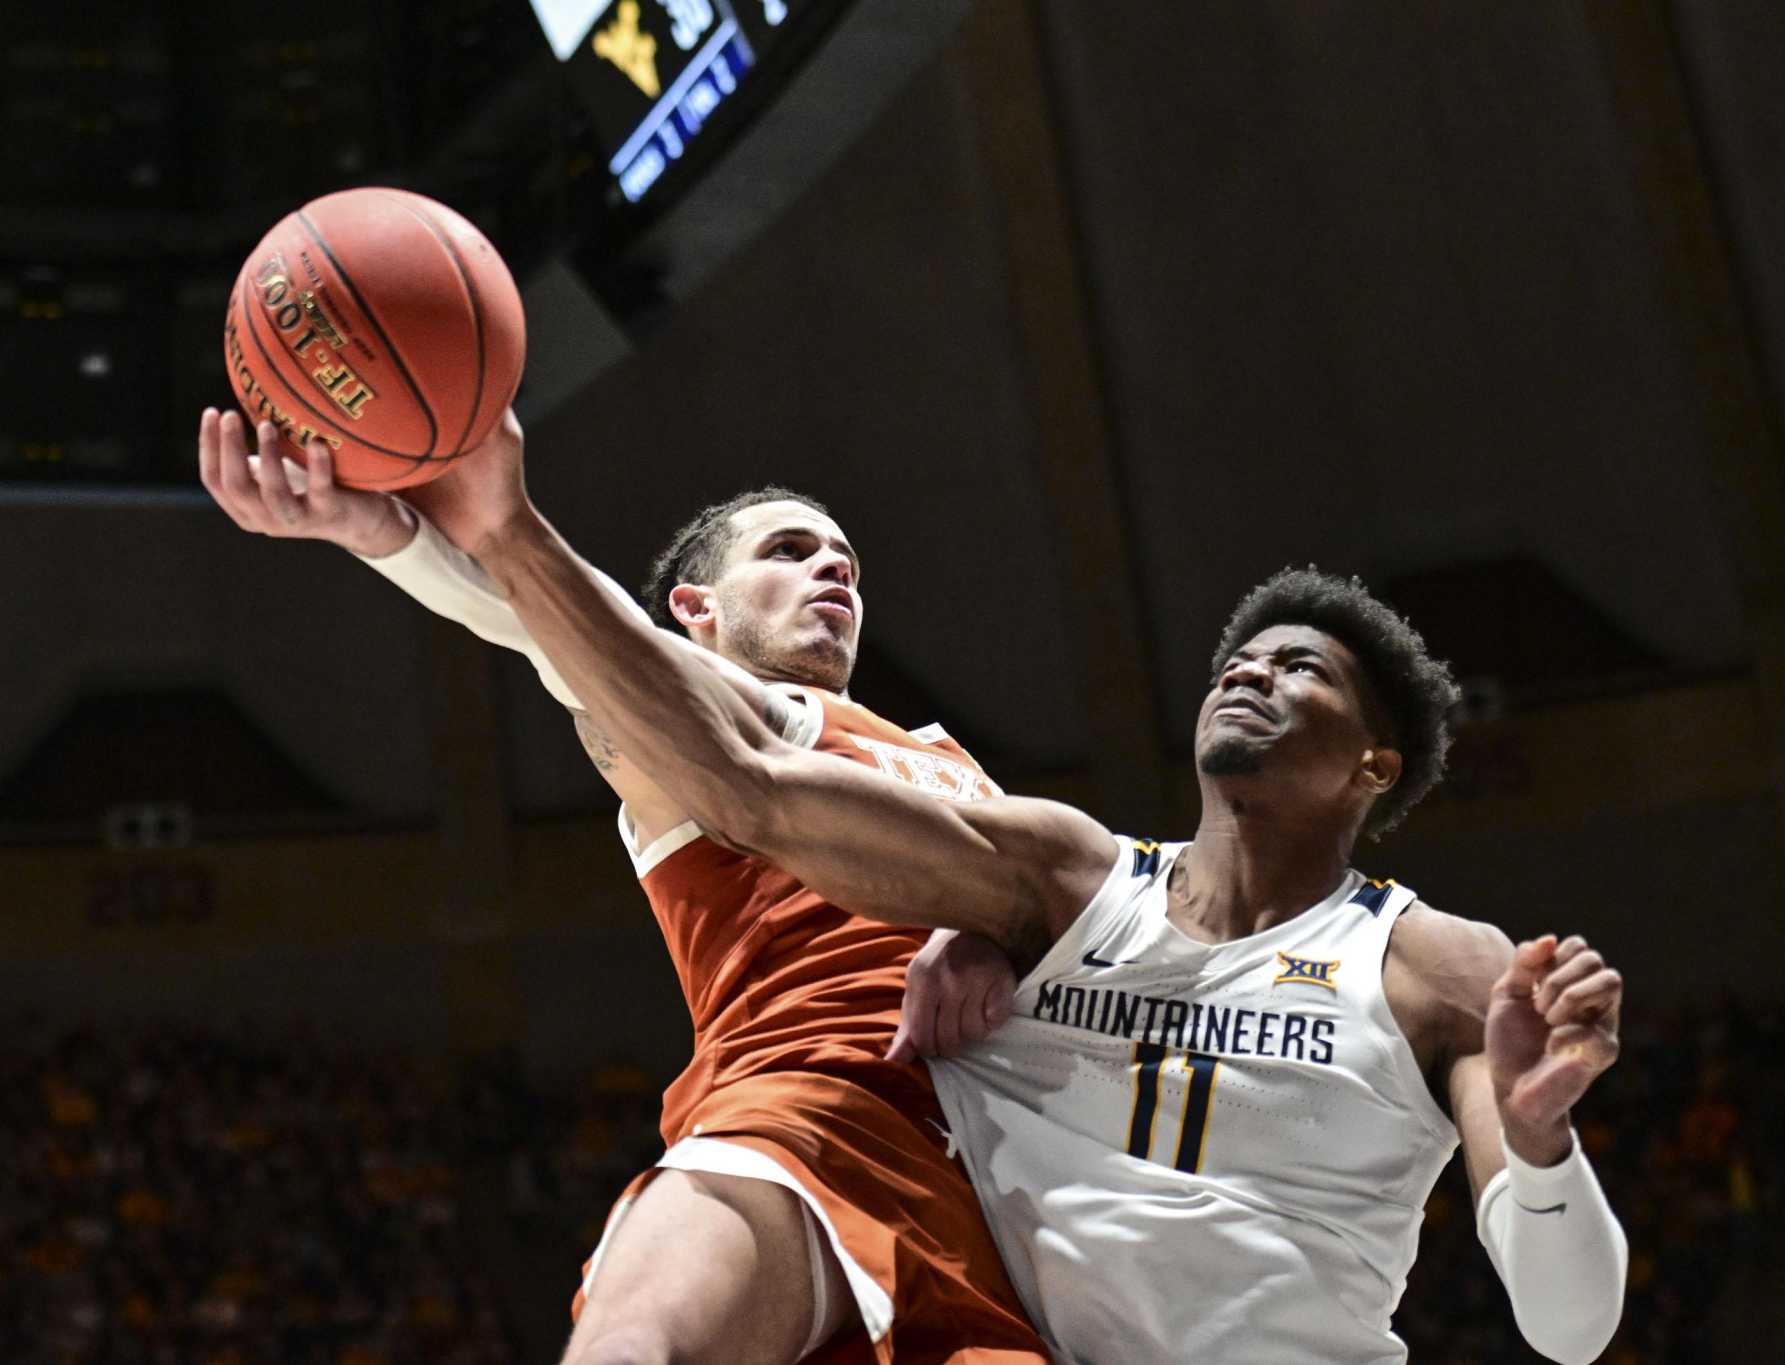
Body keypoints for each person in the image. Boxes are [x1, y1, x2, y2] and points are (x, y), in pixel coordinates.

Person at [380, 412, 1632, 1363]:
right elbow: (728, 764)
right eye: (1232, 661)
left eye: (1294, 667)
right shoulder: (1070, 878)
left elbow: (1570, 1332)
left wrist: (1540, 1145)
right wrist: (415, 532)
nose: (1244, 676)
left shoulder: (1436, 966)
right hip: (876, 1195)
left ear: (1372, 761)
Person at [194, 408, 1047, 1365]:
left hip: (1000, 1204)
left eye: (845, 557)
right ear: (694, 610)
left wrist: (991, 929)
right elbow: (557, 632)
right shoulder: (695, 733)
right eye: (790, 549)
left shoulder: (950, 759)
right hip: (811, 1115)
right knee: (637, 1348)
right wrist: (389, 535)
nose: (835, 566)